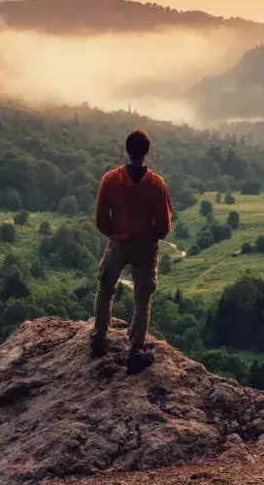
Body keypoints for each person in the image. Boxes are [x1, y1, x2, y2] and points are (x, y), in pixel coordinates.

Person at [92, 129, 172, 373]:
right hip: (145, 246)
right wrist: (152, 236)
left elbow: (100, 217)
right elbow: (164, 224)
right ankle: (134, 352)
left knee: (105, 290)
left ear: (126, 150)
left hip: (118, 243)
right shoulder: (156, 183)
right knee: (142, 300)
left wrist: (113, 233)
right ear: (147, 153)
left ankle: (98, 340)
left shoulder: (111, 179)